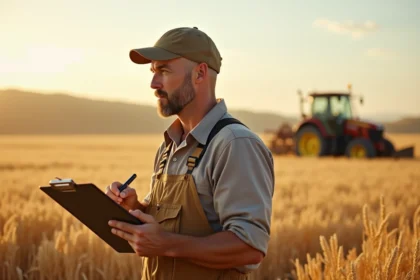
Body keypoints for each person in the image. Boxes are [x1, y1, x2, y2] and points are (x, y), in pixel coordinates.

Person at [106, 26, 275, 280]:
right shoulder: (169, 145)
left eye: (163, 70)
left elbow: (250, 248)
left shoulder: (234, 144)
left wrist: (166, 244)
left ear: (200, 73)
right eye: (153, 71)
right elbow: (169, 227)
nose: (153, 84)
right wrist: (135, 209)